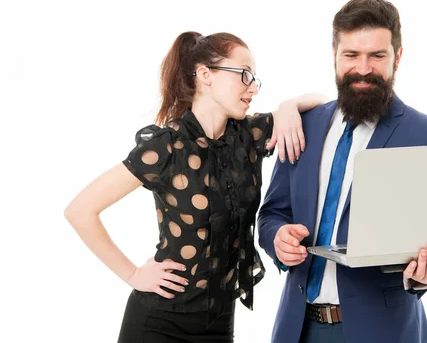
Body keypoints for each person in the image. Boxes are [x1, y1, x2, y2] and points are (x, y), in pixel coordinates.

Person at [64, 31, 327, 342]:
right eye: (244, 75)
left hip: (218, 324)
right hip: (158, 323)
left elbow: (325, 106)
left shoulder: (250, 136)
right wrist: (133, 274)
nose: (252, 87)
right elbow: (79, 210)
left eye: (254, 78)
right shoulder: (167, 146)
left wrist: (288, 105)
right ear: (206, 75)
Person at [257, 0, 427, 343]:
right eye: (351, 55)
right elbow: (272, 213)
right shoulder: (301, 125)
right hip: (298, 328)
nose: (363, 68)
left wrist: (425, 275)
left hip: (382, 331)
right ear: (334, 55)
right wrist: (276, 237)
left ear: (397, 56)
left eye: (376, 56)